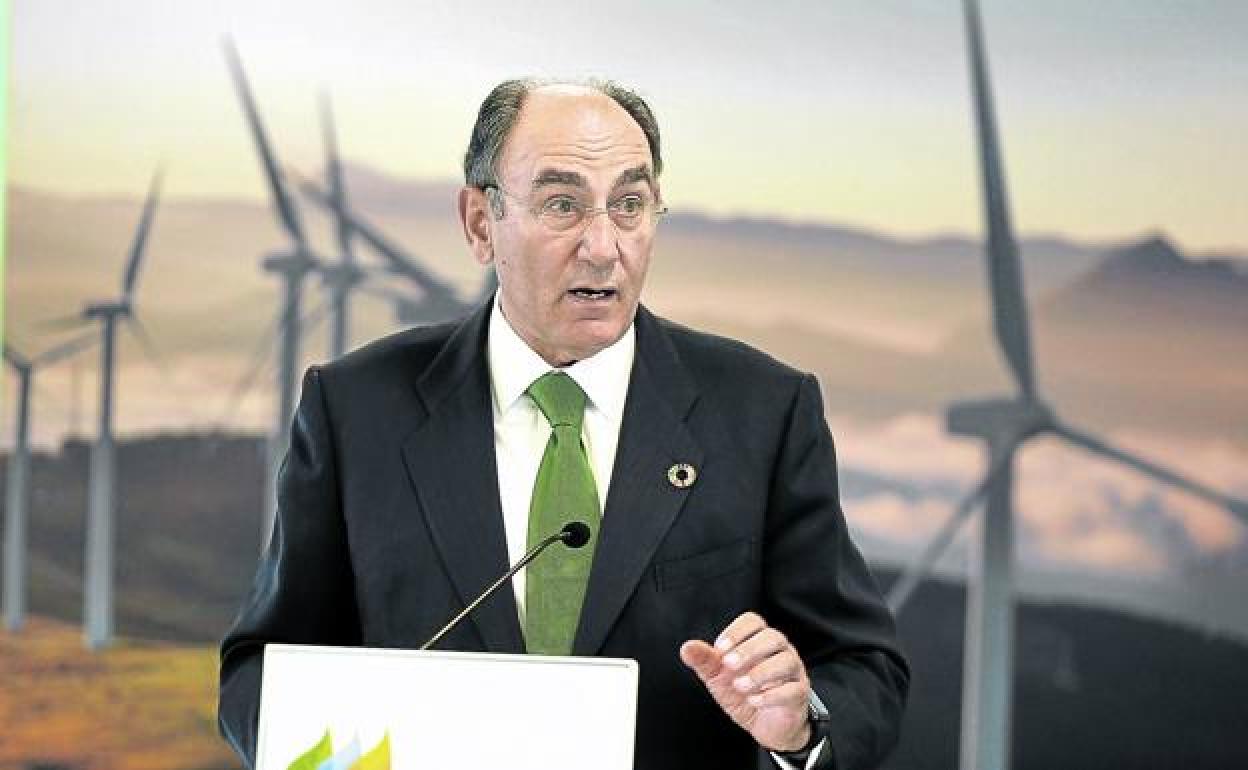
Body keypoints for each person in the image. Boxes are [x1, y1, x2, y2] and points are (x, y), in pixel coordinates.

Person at [219, 77, 908, 770]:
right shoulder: (355, 409)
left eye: (630, 205)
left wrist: (801, 724)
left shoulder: (764, 411)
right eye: (562, 205)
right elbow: (258, 672)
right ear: (480, 223)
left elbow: (864, 668)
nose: (604, 247)